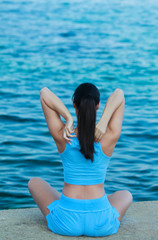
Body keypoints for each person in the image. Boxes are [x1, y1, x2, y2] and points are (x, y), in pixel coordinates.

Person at [28, 83, 133, 237]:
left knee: (34, 182)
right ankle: (93, 202)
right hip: (101, 223)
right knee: (126, 194)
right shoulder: (109, 135)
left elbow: (44, 92)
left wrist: (68, 117)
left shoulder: (63, 135)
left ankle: (70, 201)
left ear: (74, 105)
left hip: (66, 221)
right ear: (97, 106)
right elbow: (119, 93)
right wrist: (104, 120)